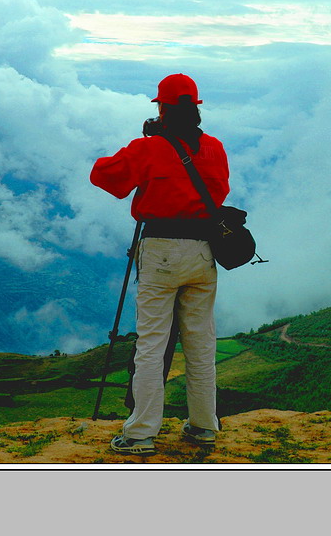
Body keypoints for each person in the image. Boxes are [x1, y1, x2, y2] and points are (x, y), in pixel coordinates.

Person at [90, 73, 229, 455]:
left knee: (152, 343)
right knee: (201, 342)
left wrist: (148, 140)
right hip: (204, 250)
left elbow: (103, 176)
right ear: (196, 109)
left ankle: (140, 433)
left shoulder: (149, 148)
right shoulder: (215, 148)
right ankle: (203, 425)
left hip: (162, 251)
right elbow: (220, 190)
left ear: (162, 108)